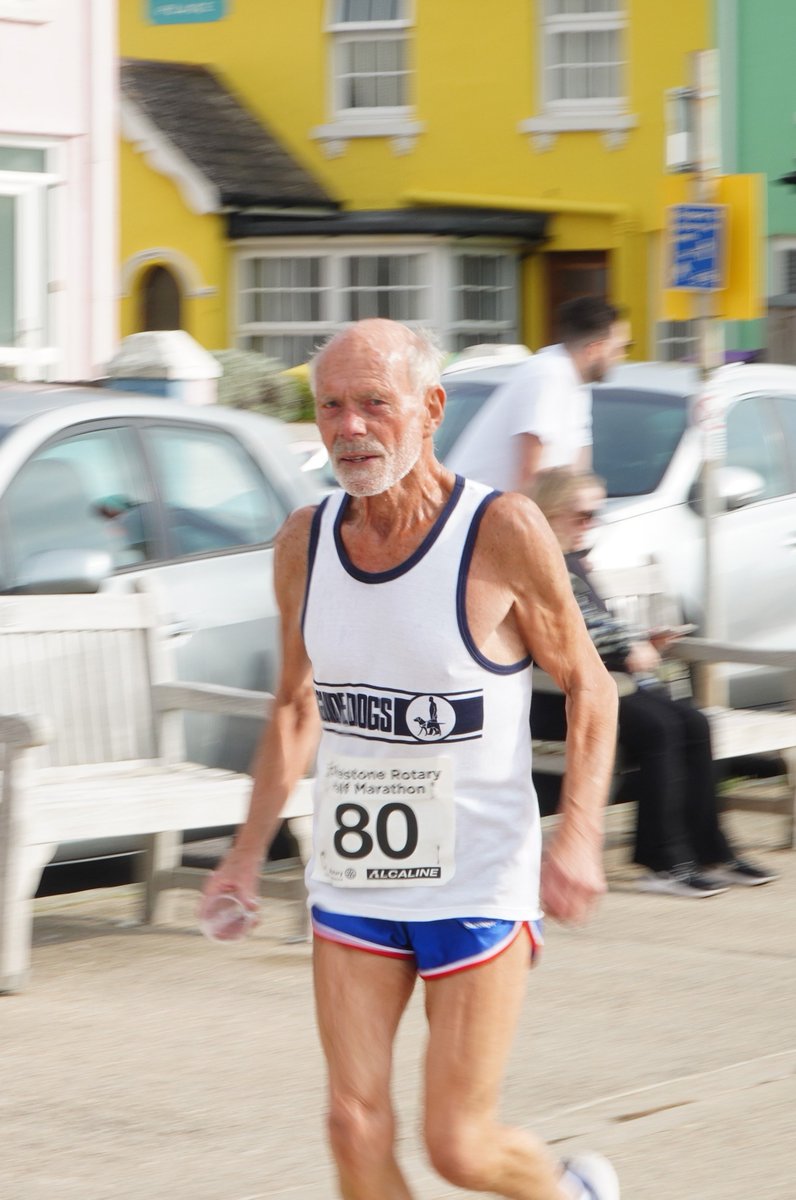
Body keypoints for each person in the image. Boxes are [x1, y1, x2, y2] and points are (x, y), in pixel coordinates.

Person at [202, 319, 622, 1200]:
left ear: (431, 409)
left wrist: (579, 835)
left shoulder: (499, 529)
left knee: (458, 1146)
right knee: (352, 1124)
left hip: (478, 879)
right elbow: (296, 704)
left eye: (373, 403)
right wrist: (243, 855)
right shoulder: (305, 542)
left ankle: (573, 1191)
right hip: (357, 875)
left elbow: (590, 685)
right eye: (330, 407)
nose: (349, 427)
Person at [529, 468, 779, 898]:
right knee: (659, 727)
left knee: (694, 722)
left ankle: (711, 851)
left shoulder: (572, 560)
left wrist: (643, 640)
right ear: (549, 513)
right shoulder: (539, 563)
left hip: (603, 685)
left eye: (595, 514)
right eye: (581, 515)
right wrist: (628, 648)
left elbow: (594, 626)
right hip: (563, 695)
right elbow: (568, 629)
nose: (590, 524)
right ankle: (662, 861)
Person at [445, 296, 630, 493]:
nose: (621, 356)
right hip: (477, 508)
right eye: (619, 348)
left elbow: (577, 471)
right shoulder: (547, 373)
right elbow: (531, 475)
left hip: (504, 506)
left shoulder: (577, 383)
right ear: (594, 350)